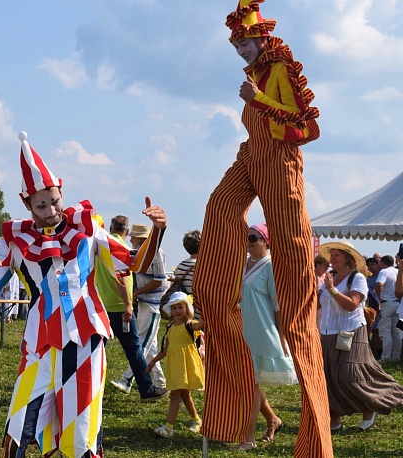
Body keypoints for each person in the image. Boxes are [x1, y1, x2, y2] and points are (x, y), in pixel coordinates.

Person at [0, 131, 167, 458]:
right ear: (28, 204)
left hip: (85, 340)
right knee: (19, 427)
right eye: (41, 204)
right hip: (39, 345)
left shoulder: (89, 228)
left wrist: (158, 232)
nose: (50, 209)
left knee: (80, 438)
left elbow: (135, 261)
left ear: (61, 193)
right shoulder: (17, 240)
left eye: (55, 200)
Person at [193, 1, 331, 454]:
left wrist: (261, 100)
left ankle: (312, 434)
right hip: (252, 153)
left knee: (294, 293)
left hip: (281, 162)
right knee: (219, 207)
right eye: (235, 45)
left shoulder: (281, 71)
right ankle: (217, 289)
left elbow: (308, 126)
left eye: (244, 43)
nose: (240, 51)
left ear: (261, 40)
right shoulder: (255, 73)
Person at [318, 241, 403, 432]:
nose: (332, 258)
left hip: (351, 332)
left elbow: (352, 305)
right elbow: (318, 303)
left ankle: (372, 404)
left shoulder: (357, 278)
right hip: (328, 333)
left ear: (348, 258)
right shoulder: (330, 277)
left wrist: (332, 290)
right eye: (331, 255)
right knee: (329, 377)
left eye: (337, 254)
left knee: (349, 375)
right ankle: (335, 418)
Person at [235, 223, 297, 451]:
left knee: (250, 384)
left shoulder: (271, 267)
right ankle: (272, 420)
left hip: (262, 331)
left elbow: (278, 305)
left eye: (254, 237)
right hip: (242, 329)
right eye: (247, 237)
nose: (249, 241)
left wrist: (282, 337)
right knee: (249, 382)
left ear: (265, 241)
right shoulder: (242, 264)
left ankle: (248, 438)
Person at [97, 215, 167, 401]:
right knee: (134, 348)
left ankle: (94, 384)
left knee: (98, 349)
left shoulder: (99, 246)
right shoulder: (121, 249)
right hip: (120, 306)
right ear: (127, 232)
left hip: (103, 303)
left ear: (111, 227)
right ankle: (146, 387)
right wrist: (128, 304)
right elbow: (120, 277)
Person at [147, 292, 204, 439]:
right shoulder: (170, 327)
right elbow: (165, 350)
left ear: (187, 309)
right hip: (176, 366)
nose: (177, 311)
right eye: (174, 308)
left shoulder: (189, 325)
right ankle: (197, 420)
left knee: (174, 395)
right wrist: (153, 361)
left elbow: (202, 325)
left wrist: (204, 308)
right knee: (185, 394)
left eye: (180, 307)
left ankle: (169, 427)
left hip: (185, 365)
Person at [375, 255, 400, 363]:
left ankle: (386, 357)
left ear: (383, 263)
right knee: (396, 331)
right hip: (397, 303)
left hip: (386, 303)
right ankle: (396, 356)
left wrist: (379, 298)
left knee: (385, 332)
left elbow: (379, 284)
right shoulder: (398, 271)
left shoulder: (384, 272)